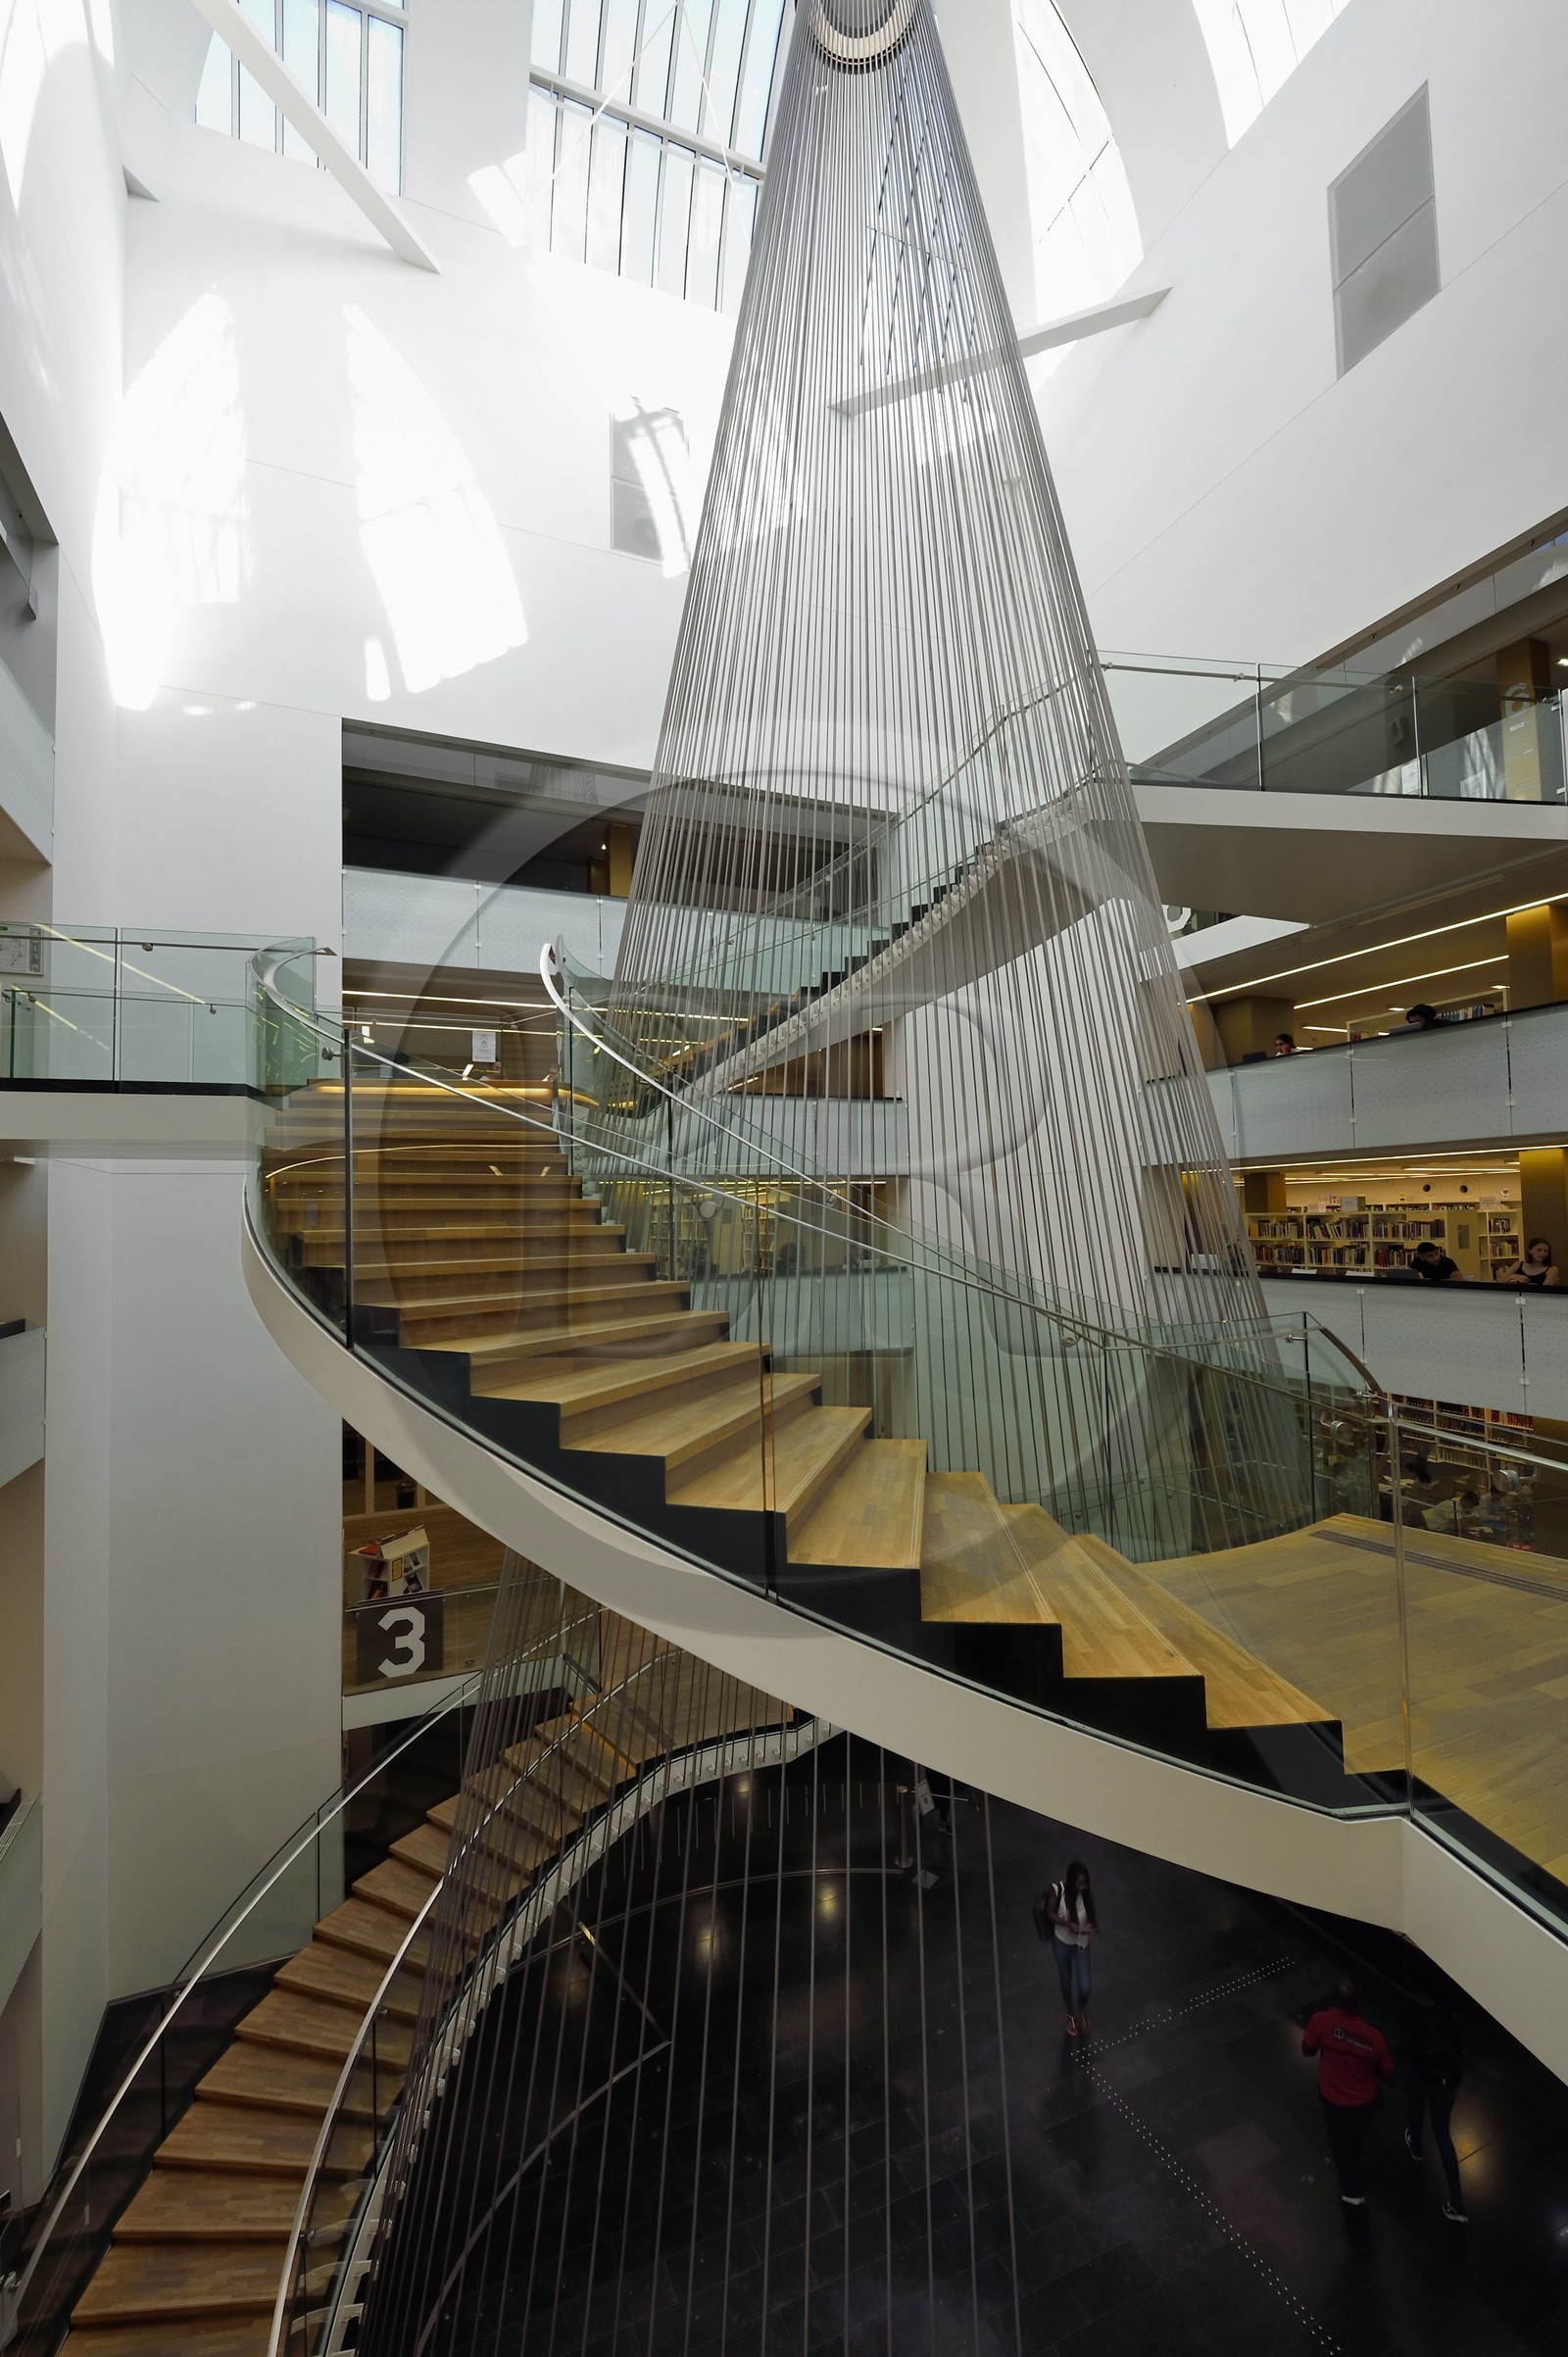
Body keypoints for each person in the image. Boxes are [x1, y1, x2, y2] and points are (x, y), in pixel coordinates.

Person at [1302, 1977, 1395, 2233]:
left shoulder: (1321, 2022)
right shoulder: (1374, 2038)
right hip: (1365, 2103)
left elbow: (1307, 2049)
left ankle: (1354, 2201)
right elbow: (1390, 2076)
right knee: (1355, 2140)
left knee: (1344, 2153)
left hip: (1333, 2100)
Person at [1403, 2007, 1467, 2224]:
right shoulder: (1446, 2015)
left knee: (1415, 2106)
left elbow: (1408, 2049)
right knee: (1442, 2134)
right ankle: (1456, 2203)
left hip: (1421, 2075)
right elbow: (1458, 2050)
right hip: (1446, 2082)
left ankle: (1416, 2147)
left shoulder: (1412, 2013)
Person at [1047, 1861, 1096, 2039]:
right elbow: (1050, 1913)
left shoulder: (1086, 1895)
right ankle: (1071, 2014)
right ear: (1071, 1880)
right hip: (1062, 1943)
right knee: (1066, 1980)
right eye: (1079, 1884)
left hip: (1081, 1943)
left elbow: (1089, 1914)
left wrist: (1089, 1926)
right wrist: (1067, 1924)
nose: (1083, 1888)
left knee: (1085, 1985)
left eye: (1085, 1884)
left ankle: (1082, 2008)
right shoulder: (1057, 1890)